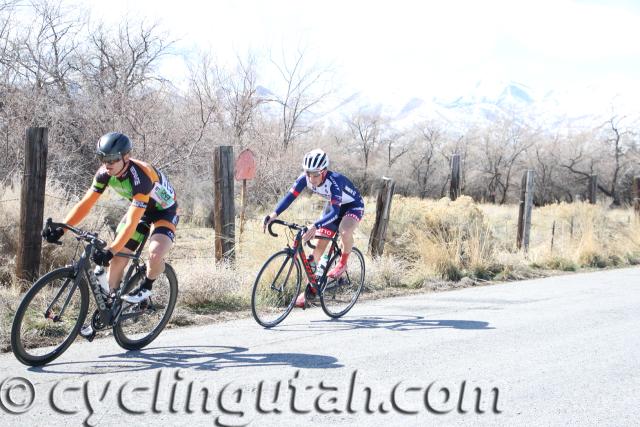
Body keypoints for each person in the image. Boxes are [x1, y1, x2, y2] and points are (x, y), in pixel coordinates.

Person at [42, 132, 179, 310]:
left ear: (126, 157)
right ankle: (111, 308)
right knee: (117, 259)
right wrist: (62, 229)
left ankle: (146, 287)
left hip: (165, 212)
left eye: (112, 159)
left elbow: (131, 221)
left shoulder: (141, 177)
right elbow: (85, 204)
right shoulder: (104, 174)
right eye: (102, 158)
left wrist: (111, 250)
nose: (107, 164)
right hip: (141, 211)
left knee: (154, 254)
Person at [263, 148, 364, 308]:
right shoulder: (306, 178)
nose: (311, 177)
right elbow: (290, 197)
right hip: (333, 205)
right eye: (308, 173)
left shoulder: (334, 182)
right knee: (317, 250)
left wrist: (315, 225)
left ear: (324, 171)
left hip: (352, 206)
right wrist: (273, 215)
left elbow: (337, 213)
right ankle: (311, 291)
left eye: (316, 174)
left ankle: (343, 262)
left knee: (344, 230)